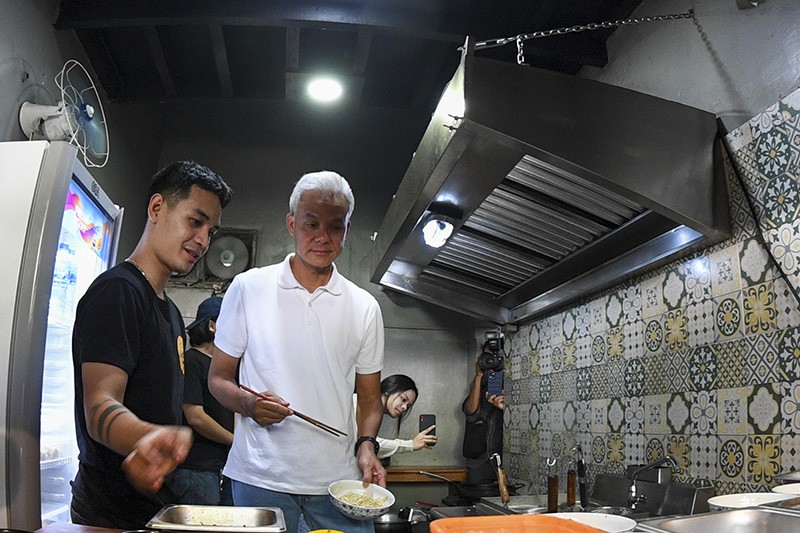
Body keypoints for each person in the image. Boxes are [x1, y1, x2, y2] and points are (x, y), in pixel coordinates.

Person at [209, 170, 386, 533]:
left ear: (347, 230)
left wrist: (367, 444)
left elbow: (370, 399)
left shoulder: (365, 306)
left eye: (335, 227)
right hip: (259, 478)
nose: (323, 237)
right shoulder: (247, 288)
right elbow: (218, 379)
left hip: (339, 484)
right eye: (311, 224)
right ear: (292, 224)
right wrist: (248, 405)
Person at [70, 161, 232, 529]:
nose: (204, 240)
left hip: (153, 504)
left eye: (211, 230)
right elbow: (99, 406)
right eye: (196, 221)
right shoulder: (118, 292)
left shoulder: (172, 313)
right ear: (157, 208)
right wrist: (148, 437)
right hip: (108, 511)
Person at [167, 295, 234, 505]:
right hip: (196, 469)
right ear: (212, 326)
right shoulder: (193, 362)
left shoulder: (223, 367)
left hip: (218, 466)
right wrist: (236, 442)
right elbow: (196, 417)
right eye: (231, 321)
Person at [461, 342, 506, 485]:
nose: (492, 361)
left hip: (503, 455)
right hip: (480, 457)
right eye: (488, 356)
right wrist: (479, 376)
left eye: (497, 357)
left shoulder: (514, 381)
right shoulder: (482, 381)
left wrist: (503, 408)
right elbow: (471, 413)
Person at [370, 374, 437, 459]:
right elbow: (369, 444)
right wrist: (411, 444)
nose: (404, 407)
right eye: (403, 399)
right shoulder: (357, 404)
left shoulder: (379, 415)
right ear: (388, 390)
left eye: (408, 406)